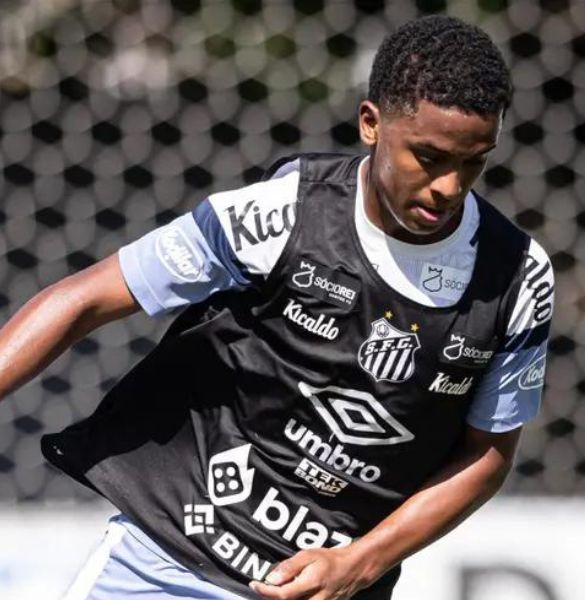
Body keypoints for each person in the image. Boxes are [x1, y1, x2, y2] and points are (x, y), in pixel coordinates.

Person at [2, 15, 554, 599]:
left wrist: (363, 562)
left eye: (474, 162)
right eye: (429, 157)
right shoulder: (282, 213)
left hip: (322, 589)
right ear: (371, 124)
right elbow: (87, 298)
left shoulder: (518, 277)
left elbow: (487, 456)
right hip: (168, 560)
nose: (450, 186)